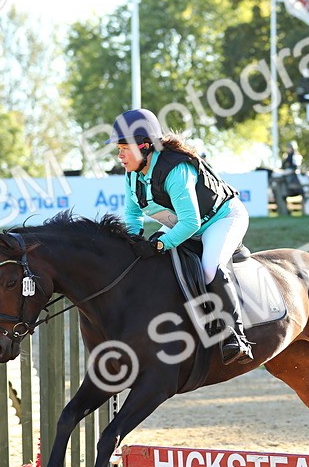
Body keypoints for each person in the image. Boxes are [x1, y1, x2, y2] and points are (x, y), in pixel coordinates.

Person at [107, 107, 254, 365]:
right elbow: (132, 216)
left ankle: (235, 336)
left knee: (210, 267)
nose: (120, 155)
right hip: (184, 223)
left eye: (124, 148)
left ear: (144, 146)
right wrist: (133, 241)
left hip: (221, 219)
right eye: (118, 148)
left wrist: (161, 243)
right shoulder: (132, 174)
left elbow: (190, 222)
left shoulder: (176, 170)